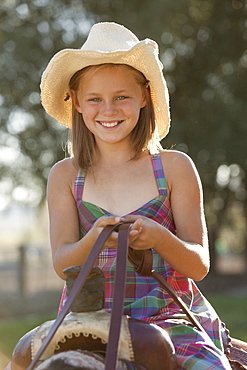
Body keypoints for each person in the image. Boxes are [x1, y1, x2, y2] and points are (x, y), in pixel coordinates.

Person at [41, 22, 232, 369]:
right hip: (87, 319)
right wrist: (95, 240)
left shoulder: (174, 168)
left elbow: (198, 265)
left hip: (169, 314)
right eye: (95, 99)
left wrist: (159, 237)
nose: (109, 110)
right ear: (77, 103)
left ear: (144, 96)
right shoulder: (66, 176)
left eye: (122, 97)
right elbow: (62, 262)